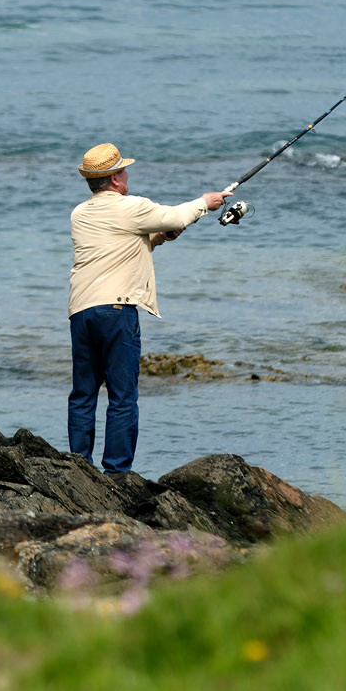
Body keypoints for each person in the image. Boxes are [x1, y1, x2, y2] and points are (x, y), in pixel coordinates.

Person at [67, 142, 230, 473]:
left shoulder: (79, 214)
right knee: (123, 397)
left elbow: (120, 243)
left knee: (83, 394)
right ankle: (116, 473)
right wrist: (206, 202)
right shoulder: (131, 207)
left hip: (81, 311)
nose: (127, 174)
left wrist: (161, 237)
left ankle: (78, 468)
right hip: (117, 309)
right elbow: (176, 214)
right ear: (114, 179)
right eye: (124, 170)